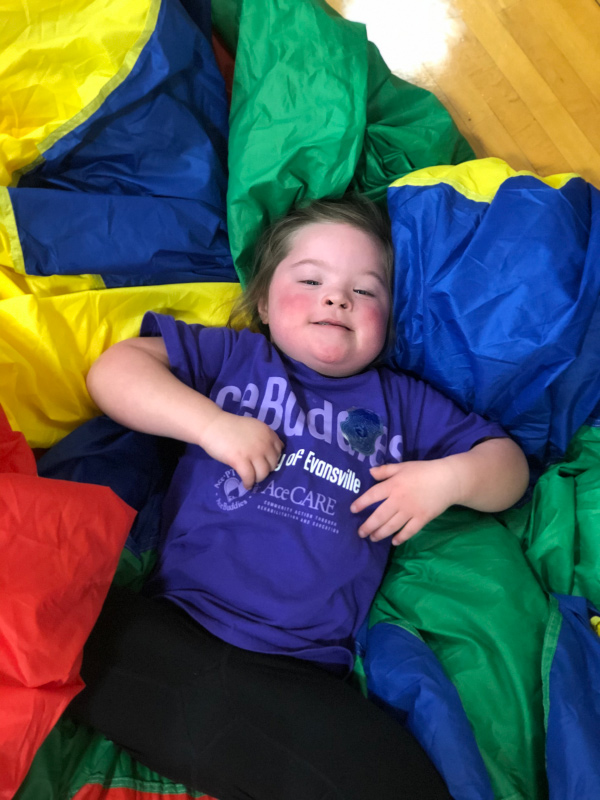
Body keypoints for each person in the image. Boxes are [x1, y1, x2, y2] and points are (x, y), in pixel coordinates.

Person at [68, 196, 529, 800]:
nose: (337, 298)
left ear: (390, 320)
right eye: (310, 279)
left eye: (366, 291)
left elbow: (509, 468)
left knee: (407, 784)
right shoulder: (236, 358)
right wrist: (209, 425)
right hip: (175, 627)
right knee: (47, 619)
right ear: (262, 301)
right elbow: (115, 371)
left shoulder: (405, 403)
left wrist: (449, 481)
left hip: (300, 672)